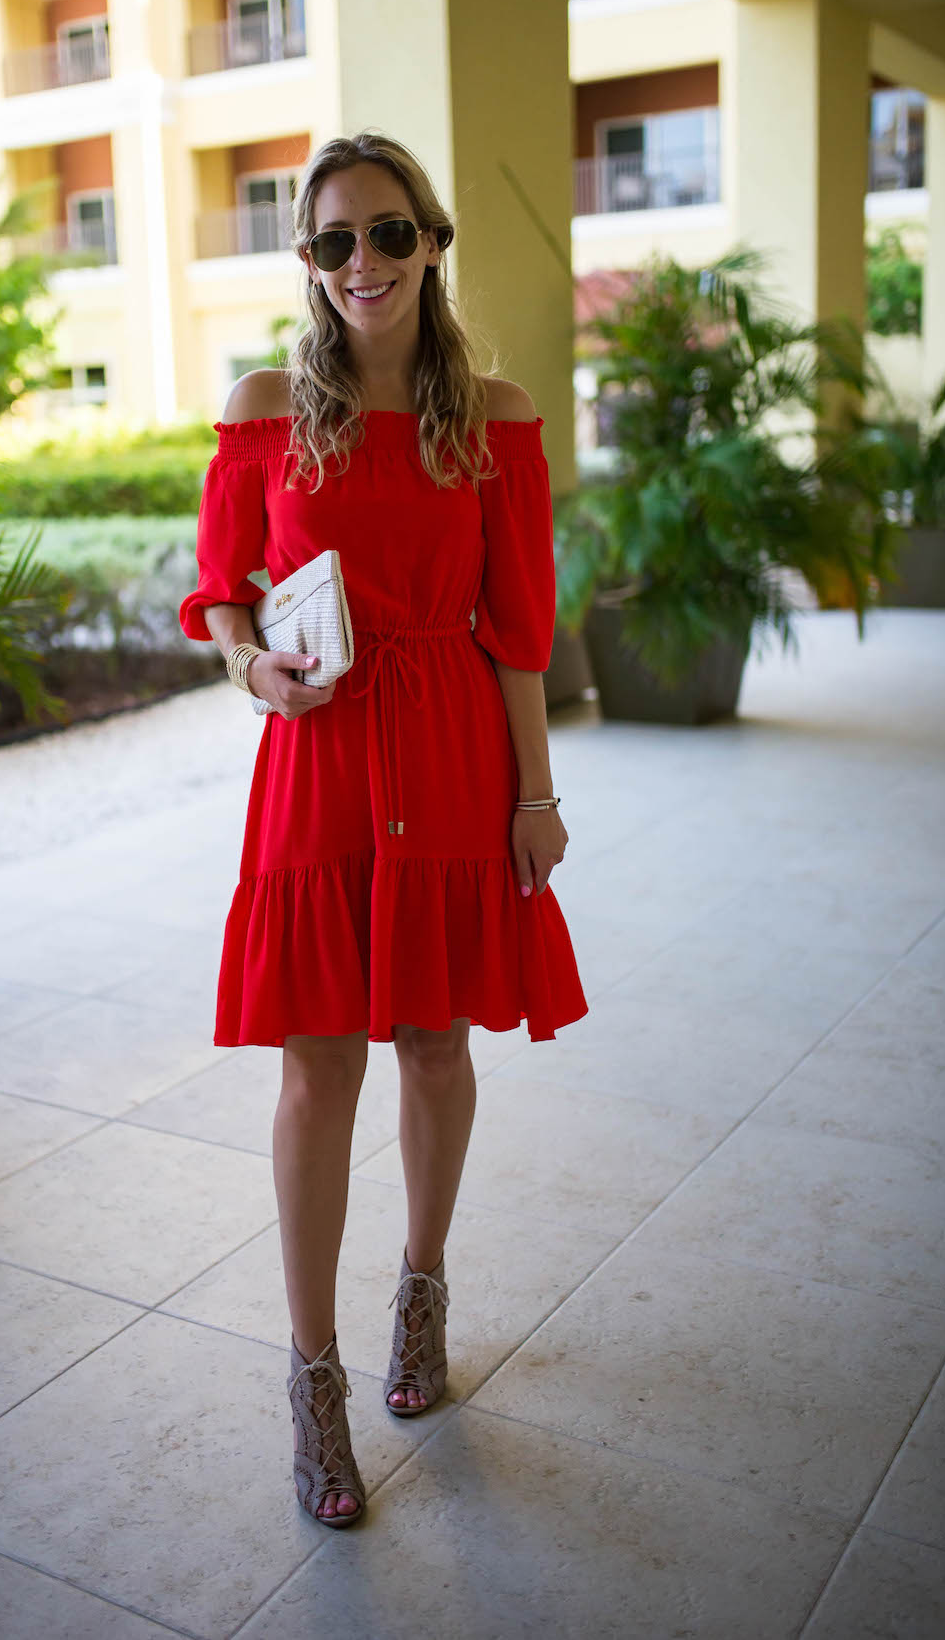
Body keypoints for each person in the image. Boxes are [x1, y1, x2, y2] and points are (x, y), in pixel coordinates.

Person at [178, 129, 588, 1529]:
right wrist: (252, 668)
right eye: (335, 239)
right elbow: (225, 591)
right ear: (308, 260)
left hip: (457, 750)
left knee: (433, 1039)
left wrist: (536, 794)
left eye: (390, 232)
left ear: (433, 242)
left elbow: (519, 630)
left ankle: (421, 1291)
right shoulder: (260, 408)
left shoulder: (498, 413)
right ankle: (314, 1377)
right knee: (316, 1067)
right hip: (319, 760)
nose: (366, 261)